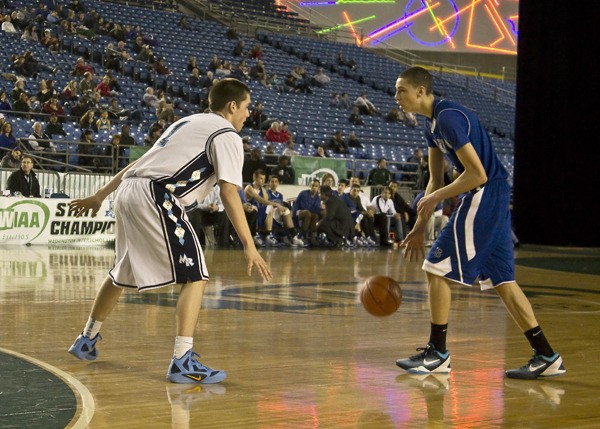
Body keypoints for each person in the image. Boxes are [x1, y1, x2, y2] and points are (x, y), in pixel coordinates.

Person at [67, 78, 272, 385]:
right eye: (246, 108)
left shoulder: (186, 122)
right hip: (157, 196)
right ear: (232, 106)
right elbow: (230, 192)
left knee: (122, 271)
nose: (247, 114)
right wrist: (249, 244)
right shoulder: (226, 134)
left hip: (129, 191)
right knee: (196, 275)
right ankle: (182, 360)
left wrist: (101, 195)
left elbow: (138, 163)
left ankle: (87, 339)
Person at [393, 66, 564, 379]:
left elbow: (477, 174)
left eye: (401, 89)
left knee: (436, 268)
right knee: (504, 282)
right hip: (491, 194)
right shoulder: (431, 125)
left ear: (420, 91)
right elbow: (434, 179)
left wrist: (435, 198)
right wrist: (418, 229)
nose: (396, 96)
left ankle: (438, 353)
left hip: (484, 192)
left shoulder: (447, 117)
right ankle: (546, 355)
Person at [292, 178, 322, 245]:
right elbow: (305, 207)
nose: (314, 187)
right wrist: (318, 208)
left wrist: (321, 208)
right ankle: (300, 236)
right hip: (297, 211)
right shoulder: (303, 194)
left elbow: (316, 210)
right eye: (312, 185)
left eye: (316, 186)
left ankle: (312, 237)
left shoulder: (318, 197)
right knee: (307, 213)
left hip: (308, 212)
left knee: (315, 216)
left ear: (318, 188)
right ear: (310, 186)